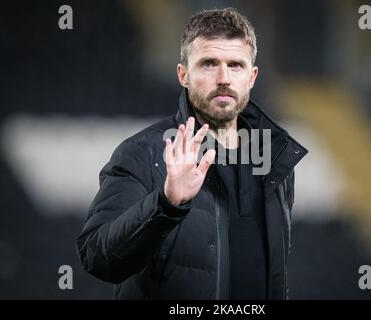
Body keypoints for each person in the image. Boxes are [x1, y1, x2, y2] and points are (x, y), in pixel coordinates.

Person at [76, 7, 307, 300]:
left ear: (252, 76)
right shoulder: (143, 154)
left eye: (236, 65)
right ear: (183, 74)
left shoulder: (275, 160)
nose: (224, 78)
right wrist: (166, 204)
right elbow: (98, 258)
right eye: (209, 64)